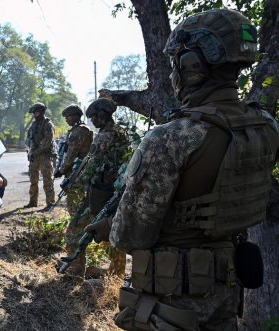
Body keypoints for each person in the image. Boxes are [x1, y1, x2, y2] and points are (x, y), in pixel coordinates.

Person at [86, 9, 279, 330]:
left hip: (173, 303)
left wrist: (110, 224)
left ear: (192, 67)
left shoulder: (173, 136)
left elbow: (130, 234)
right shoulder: (266, 127)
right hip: (227, 293)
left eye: (176, 62)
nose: (175, 72)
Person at [65, 98, 129, 278]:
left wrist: (74, 184)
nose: (92, 120)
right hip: (112, 192)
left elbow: (92, 164)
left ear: (102, 115)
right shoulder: (120, 132)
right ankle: (116, 275)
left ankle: (75, 269)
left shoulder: (106, 135)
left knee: (75, 229)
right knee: (111, 232)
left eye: (93, 117)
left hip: (100, 192)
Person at [53, 104, 93, 215]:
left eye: (68, 116)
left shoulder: (79, 131)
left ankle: (75, 228)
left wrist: (61, 170)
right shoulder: (78, 129)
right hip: (80, 169)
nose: (66, 119)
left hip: (77, 171)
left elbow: (71, 155)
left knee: (74, 202)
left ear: (76, 116)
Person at [24, 102, 56, 211]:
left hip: (45, 156)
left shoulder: (47, 124)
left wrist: (36, 151)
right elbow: (29, 139)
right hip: (35, 156)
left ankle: (50, 203)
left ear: (42, 112)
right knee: (33, 180)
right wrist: (30, 151)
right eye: (33, 112)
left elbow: (47, 141)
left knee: (47, 180)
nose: (34, 114)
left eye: (36, 112)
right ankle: (33, 202)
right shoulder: (34, 124)